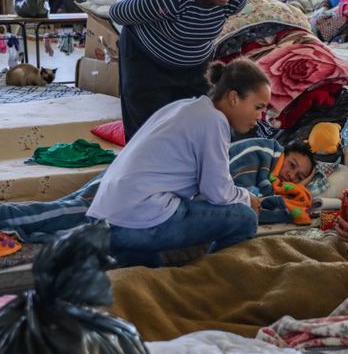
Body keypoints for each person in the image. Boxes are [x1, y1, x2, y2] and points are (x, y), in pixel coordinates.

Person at [86, 59, 270, 267]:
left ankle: (125, 260)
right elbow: (217, 192)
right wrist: (248, 198)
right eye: (258, 107)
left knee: (150, 266)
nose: (260, 117)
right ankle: (208, 277)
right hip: (133, 222)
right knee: (244, 217)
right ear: (234, 98)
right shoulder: (214, 121)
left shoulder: (184, 106)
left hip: (104, 219)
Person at [109, 0, 249, 142]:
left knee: (196, 130)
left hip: (194, 67)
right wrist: (113, 6)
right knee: (148, 136)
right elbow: (121, 13)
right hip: (146, 61)